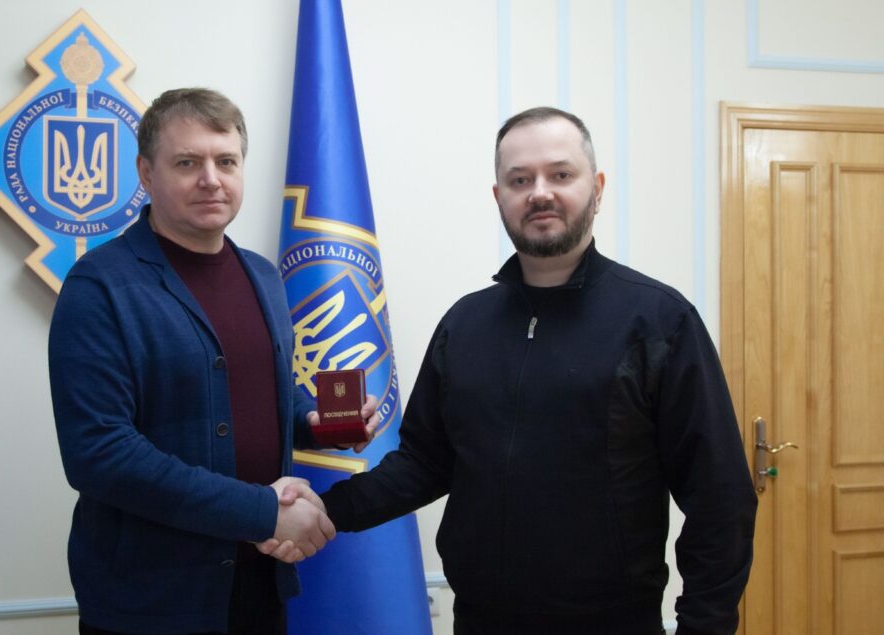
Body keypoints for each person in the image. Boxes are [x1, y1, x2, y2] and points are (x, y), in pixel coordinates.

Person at [289, 107, 757, 634]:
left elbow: (721, 499)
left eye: (561, 174)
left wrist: (703, 625)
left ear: (597, 188)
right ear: (499, 197)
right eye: (520, 180)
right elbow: (423, 463)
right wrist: (325, 510)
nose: (540, 193)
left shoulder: (660, 322)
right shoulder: (464, 324)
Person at [48, 87, 376, 635]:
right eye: (187, 162)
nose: (211, 179)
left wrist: (314, 423)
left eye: (226, 162)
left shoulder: (263, 276)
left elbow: (261, 392)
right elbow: (99, 453)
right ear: (146, 173)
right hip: (152, 603)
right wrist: (260, 511)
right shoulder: (99, 286)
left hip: (259, 583)